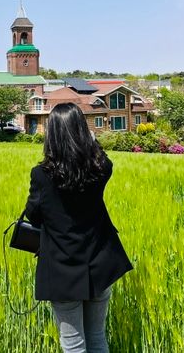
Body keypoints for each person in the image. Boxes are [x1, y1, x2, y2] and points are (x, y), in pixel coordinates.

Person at [24, 103, 133, 353]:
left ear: (52, 134)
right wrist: (91, 142)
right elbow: (103, 158)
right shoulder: (100, 168)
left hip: (63, 269)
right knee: (97, 337)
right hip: (100, 263)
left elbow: (34, 215)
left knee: (73, 345)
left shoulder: (41, 175)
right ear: (83, 130)